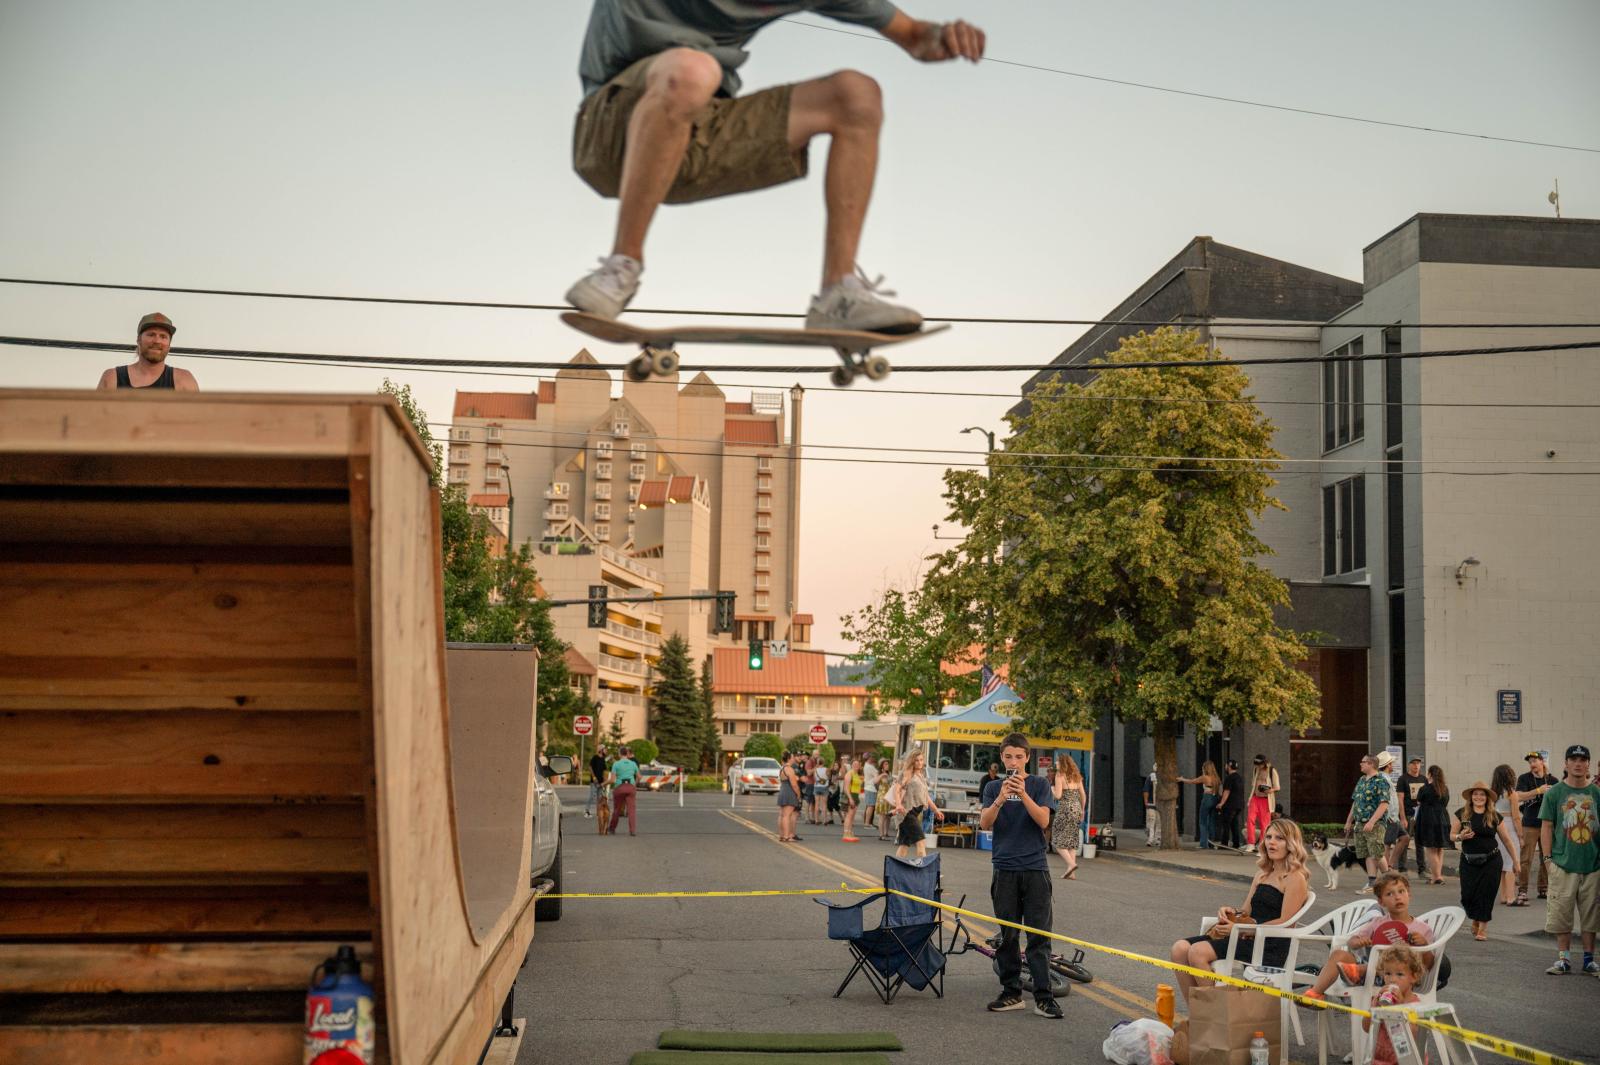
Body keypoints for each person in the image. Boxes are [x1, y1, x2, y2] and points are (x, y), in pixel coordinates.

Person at [564, 3, 986, 330]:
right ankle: (621, 265)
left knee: (856, 95)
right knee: (692, 69)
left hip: (699, 136)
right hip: (608, 134)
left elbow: (913, 35)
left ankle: (838, 293)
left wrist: (941, 36)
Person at [1170, 818, 1311, 1004]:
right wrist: (1230, 912)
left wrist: (1242, 930)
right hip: (1245, 936)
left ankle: (1217, 1017)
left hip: (1268, 944)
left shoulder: (1295, 878)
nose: (1271, 842)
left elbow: (1287, 923)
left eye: (1279, 838)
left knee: (1197, 952)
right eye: (1268, 837)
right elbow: (1246, 911)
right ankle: (1200, 1015)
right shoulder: (1262, 874)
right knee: (1179, 949)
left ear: (1292, 844)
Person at [978, 733, 1060, 1019]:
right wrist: (1002, 796)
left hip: (1035, 867)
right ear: (1002, 758)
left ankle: (1044, 996)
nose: (1013, 761)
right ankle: (1011, 992)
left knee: (1038, 935)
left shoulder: (1038, 784)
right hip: (1004, 867)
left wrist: (1022, 792)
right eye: (1008, 756)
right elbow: (985, 824)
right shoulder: (991, 787)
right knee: (1008, 935)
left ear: (1027, 758)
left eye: (1019, 756)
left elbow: (1044, 820)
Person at [1301, 872, 1435, 1001]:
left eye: (1401, 891)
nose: (1397, 897)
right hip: (1366, 975)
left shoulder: (1423, 929)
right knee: (1338, 954)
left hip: (1397, 978)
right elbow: (1351, 942)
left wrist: (1424, 945)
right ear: (1381, 902)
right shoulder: (1377, 922)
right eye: (1390, 894)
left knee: (1395, 956)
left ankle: (1359, 971)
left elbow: (1428, 965)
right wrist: (1358, 942)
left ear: (1409, 894)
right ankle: (1315, 994)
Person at [1539, 743, 1600, 975]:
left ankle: (1589, 960)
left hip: (1592, 864)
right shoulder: (1554, 793)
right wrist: (1547, 859)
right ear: (1565, 763)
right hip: (1562, 864)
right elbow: (1546, 826)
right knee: (1561, 913)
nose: (1578, 763)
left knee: (1591, 915)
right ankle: (1563, 959)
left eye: (1582, 760)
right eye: (1573, 759)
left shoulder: (1596, 793)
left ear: (1588, 765)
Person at [1451, 779, 1516, 941]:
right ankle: (1475, 919)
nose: (1479, 797)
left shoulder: (1494, 816)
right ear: (1471, 797)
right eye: (1475, 794)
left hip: (1491, 861)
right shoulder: (1462, 814)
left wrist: (1516, 861)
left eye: (1482, 794)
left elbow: (1507, 840)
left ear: (1487, 798)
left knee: (1486, 895)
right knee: (1467, 896)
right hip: (1468, 862)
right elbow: (1451, 835)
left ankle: (1482, 929)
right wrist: (1460, 836)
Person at [96, 312, 199, 391]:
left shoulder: (184, 380)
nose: (157, 341)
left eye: (163, 337)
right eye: (151, 335)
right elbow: (94, 417)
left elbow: (199, 418)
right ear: (138, 339)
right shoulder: (112, 378)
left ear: (169, 344)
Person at [1363, 945, 1428, 1065]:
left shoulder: (1415, 1006)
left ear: (1413, 977)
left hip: (1405, 1061)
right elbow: (1366, 1028)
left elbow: (1413, 1037)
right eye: (1388, 973)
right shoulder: (1379, 999)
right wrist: (1374, 1008)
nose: (1392, 980)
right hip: (1378, 1059)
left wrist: (1399, 1009)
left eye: (1399, 974)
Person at [1344, 753, 1393, 893]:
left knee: (1377, 852)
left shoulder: (1381, 781)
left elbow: (1384, 804)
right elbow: (1356, 802)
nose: (1361, 764)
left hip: (1375, 824)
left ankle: (1389, 879)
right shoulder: (1362, 780)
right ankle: (1372, 881)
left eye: (1363, 762)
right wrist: (1349, 821)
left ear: (1371, 764)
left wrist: (1372, 822)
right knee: (1366, 853)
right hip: (1360, 823)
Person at [1515, 750, 1558, 904]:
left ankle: (1543, 888)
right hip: (1530, 823)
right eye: (1530, 761)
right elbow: (1518, 796)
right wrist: (1538, 791)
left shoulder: (1553, 780)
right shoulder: (1524, 778)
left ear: (1542, 761)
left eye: (1535, 760)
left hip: (1548, 823)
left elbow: (1559, 801)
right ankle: (1522, 890)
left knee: (1546, 857)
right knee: (1526, 858)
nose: (1532, 764)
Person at [892, 748, 942, 859]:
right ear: (912, 761)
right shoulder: (907, 773)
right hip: (906, 813)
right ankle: (922, 871)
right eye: (916, 760)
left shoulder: (921, 775)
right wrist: (899, 804)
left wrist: (935, 810)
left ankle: (896, 872)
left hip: (914, 813)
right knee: (921, 841)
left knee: (904, 845)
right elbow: (897, 789)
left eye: (921, 760)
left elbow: (925, 796)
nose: (919, 763)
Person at [1049, 755, 1086, 879]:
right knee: (1072, 839)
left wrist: (1052, 789)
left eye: (1058, 762)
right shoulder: (1077, 775)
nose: (1056, 763)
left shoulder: (1059, 776)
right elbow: (1083, 795)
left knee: (1057, 839)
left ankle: (1071, 864)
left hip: (1065, 809)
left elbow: (1058, 796)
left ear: (1063, 763)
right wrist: (1083, 810)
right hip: (1076, 809)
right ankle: (1072, 873)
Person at [1491, 764, 1523, 906]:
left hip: (1497, 826)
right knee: (1511, 862)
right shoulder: (1512, 794)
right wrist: (1521, 836)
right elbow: (1516, 817)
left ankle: (1504, 895)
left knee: (1503, 864)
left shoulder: (1493, 794)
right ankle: (1511, 897)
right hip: (1510, 826)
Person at [1415, 765, 1451, 885]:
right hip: (1443, 818)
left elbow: (1419, 801)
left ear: (1430, 774)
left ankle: (1437, 877)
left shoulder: (1425, 788)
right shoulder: (1445, 789)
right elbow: (1446, 803)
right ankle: (1437, 876)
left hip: (1428, 819)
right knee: (1440, 848)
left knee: (1430, 848)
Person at [1374, 751, 1409, 874]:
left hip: (1394, 817)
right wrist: (1387, 815)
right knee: (1387, 844)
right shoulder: (1383, 779)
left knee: (1405, 838)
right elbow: (1382, 799)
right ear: (1388, 765)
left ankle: (1389, 865)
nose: (1393, 765)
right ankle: (1386, 870)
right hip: (1389, 817)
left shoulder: (1385, 778)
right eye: (1391, 763)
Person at [1178, 760, 1221, 850]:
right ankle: (1212, 843)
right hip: (1215, 799)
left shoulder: (1205, 777)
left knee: (1203, 821)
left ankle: (1203, 844)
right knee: (1212, 822)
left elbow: (1192, 781)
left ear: (1205, 768)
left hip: (1207, 798)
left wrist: (1182, 779)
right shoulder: (1216, 778)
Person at [1396, 756, 1428, 873]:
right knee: (1404, 841)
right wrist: (1403, 817)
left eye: (1418, 763)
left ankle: (1422, 869)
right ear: (1408, 765)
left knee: (1420, 843)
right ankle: (1402, 868)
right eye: (1413, 763)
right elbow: (1400, 799)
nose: (1416, 766)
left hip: (1420, 816)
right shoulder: (1403, 779)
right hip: (1408, 815)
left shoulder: (1423, 779)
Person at [1244, 754, 1280, 854]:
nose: (1258, 766)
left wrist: (1270, 790)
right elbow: (1253, 784)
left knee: (1265, 824)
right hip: (1255, 797)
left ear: (1264, 763)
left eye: (1259, 764)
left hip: (1266, 799)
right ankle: (1250, 843)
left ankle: (1261, 846)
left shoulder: (1272, 771)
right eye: (1256, 764)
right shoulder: (1256, 770)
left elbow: (1277, 787)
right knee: (1250, 819)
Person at [605, 745, 640, 836]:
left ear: (620, 754)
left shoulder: (616, 764)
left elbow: (612, 780)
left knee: (617, 809)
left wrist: (603, 784)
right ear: (627, 754)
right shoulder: (633, 764)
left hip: (620, 787)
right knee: (631, 810)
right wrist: (634, 784)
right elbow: (639, 776)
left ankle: (612, 828)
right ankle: (632, 830)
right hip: (630, 787)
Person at [1217, 759, 1246, 850]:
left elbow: (1227, 791)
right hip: (1239, 805)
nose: (1225, 767)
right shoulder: (1239, 777)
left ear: (1229, 766)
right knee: (1234, 823)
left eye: (1226, 766)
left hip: (1230, 805)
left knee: (1226, 823)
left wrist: (1221, 803)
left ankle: (1224, 844)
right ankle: (1236, 843)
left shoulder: (1229, 778)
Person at [777, 749, 804, 843]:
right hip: (789, 792)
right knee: (787, 815)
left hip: (783, 790)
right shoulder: (789, 769)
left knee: (782, 815)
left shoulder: (782, 768)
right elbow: (794, 784)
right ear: (789, 758)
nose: (793, 759)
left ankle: (782, 835)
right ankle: (787, 836)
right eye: (792, 757)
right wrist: (798, 794)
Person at [840, 756, 862, 842]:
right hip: (850, 795)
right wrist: (850, 798)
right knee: (849, 815)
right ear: (852, 765)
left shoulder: (856, 774)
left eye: (858, 764)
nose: (856, 765)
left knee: (852, 816)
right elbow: (846, 787)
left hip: (856, 795)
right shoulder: (849, 773)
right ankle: (845, 833)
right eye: (854, 764)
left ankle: (850, 832)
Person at [877, 758, 898, 841]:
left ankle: (886, 833)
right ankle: (881, 835)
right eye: (885, 764)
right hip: (882, 796)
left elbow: (892, 783)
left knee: (888, 816)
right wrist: (882, 775)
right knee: (882, 816)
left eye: (887, 764)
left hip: (889, 796)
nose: (887, 765)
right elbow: (875, 781)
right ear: (882, 765)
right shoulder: (880, 773)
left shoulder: (889, 773)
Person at [585, 743, 608, 818]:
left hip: (601, 782)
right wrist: (594, 777)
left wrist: (605, 781)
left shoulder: (603, 759)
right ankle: (587, 811)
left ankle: (599, 812)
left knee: (599, 797)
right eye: (605, 749)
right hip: (594, 781)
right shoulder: (595, 757)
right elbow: (590, 767)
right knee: (592, 796)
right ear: (601, 750)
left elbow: (604, 771)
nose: (606, 750)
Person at [861, 754, 880, 828]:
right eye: (871, 757)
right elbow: (877, 777)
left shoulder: (867, 766)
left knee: (869, 806)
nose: (872, 758)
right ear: (869, 758)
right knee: (871, 806)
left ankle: (867, 822)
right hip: (871, 787)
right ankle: (867, 823)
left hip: (869, 787)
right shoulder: (870, 767)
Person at [1142, 768, 1160, 847]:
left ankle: (1150, 839)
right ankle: (1157, 839)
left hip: (1151, 804)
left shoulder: (1150, 777)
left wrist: (1146, 802)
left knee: (1151, 822)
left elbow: (1146, 790)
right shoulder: (1161, 777)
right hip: (1158, 804)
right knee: (1158, 823)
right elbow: (1146, 791)